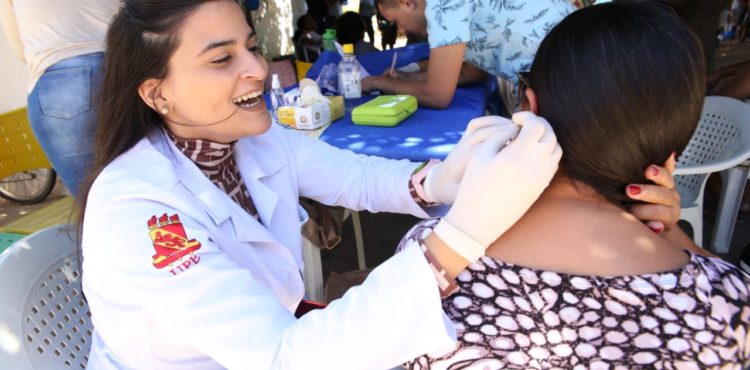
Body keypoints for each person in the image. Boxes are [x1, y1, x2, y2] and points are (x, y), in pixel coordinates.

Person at [78, 1, 684, 368]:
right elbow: (283, 360)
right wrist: (457, 237)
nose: (258, 70)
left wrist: (445, 178)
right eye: (221, 58)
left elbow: (361, 180)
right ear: (156, 93)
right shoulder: (138, 211)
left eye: (251, 46)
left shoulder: (253, 138)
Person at [403, 2, 750, 368]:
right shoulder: (723, 304)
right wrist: (674, 236)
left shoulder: (430, 262)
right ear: (673, 153)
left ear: (530, 107)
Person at [0, 0, 120, 196]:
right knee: (157, 183)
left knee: (92, 200)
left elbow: (21, 52)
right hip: (122, 65)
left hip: (59, 81)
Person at [361, 0, 575, 110]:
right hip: (573, 58)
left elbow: (437, 96)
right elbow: (471, 72)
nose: (402, 30)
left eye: (396, 22)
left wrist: (377, 83)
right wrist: (406, 78)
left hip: (565, 72)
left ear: (407, 3)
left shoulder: (442, 7)